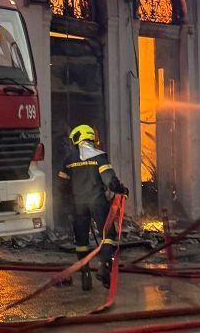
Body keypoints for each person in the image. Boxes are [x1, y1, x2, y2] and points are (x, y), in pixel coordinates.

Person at [58, 124, 128, 290]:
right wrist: (121, 190)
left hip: (77, 205)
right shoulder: (99, 157)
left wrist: (68, 204)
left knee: (81, 241)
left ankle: (85, 275)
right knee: (107, 235)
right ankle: (104, 268)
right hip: (97, 202)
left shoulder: (68, 161)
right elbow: (110, 182)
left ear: (77, 138)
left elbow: (61, 187)